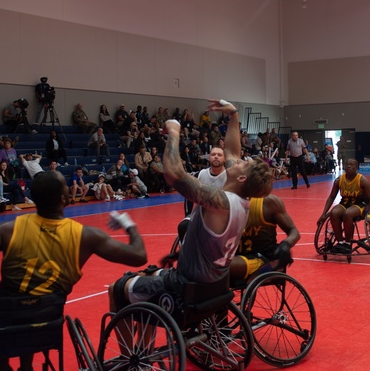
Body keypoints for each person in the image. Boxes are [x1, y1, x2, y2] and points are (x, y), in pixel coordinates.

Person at [0, 172, 148, 371]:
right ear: (65, 198)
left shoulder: (8, 230)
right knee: (34, 306)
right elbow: (139, 256)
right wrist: (129, 225)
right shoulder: (85, 236)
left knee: (0, 303)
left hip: (3, 321)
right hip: (46, 321)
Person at [108, 99, 273, 312]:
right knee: (145, 275)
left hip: (186, 283)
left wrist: (174, 132)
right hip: (215, 280)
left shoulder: (221, 202)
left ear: (241, 178)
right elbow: (232, 151)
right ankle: (143, 344)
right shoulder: (241, 200)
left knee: (116, 288)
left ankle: (133, 346)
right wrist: (234, 115)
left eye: (244, 163)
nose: (238, 160)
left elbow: (175, 175)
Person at [228, 194, 300, 283]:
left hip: (260, 257)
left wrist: (285, 245)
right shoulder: (227, 200)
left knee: (220, 265)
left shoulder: (268, 203)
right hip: (235, 254)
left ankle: (273, 265)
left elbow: (294, 231)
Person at [317, 158, 370, 253]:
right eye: (347, 164)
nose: (349, 166)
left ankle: (348, 243)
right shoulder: (339, 180)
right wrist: (323, 214)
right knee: (334, 212)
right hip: (345, 203)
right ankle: (340, 242)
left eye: (352, 164)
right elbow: (331, 197)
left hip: (361, 204)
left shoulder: (362, 180)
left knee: (348, 214)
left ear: (356, 167)